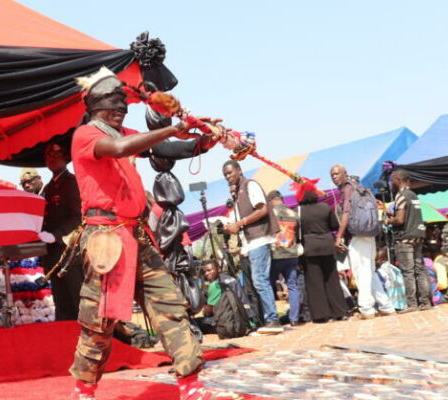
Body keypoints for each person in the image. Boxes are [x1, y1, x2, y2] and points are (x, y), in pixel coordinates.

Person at [67, 68, 233, 400]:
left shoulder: (120, 130)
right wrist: (174, 127)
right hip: (106, 240)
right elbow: (119, 147)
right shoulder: (85, 134)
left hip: (138, 236)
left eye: (122, 107)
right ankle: (84, 389)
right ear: (92, 105)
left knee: (170, 307)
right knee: (100, 323)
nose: (119, 112)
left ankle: (191, 384)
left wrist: (201, 142)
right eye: (111, 107)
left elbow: (163, 149)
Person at [221, 160, 282, 334]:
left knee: (260, 280)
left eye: (230, 172)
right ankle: (266, 320)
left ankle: (273, 320)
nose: (228, 177)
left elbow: (262, 209)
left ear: (239, 170)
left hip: (259, 239)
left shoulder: (250, 185)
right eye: (225, 174)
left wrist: (239, 223)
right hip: (250, 242)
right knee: (256, 282)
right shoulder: (238, 192)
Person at [330, 165, 394, 319]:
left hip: (358, 236)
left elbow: (346, 213)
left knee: (361, 273)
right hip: (369, 234)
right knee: (369, 271)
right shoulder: (359, 188)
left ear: (345, 174)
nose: (334, 177)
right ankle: (386, 306)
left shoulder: (347, 189)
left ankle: (366, 309)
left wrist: (339, 236)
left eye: (337, 174)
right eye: (332, 175)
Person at [41, 141, 84, 321]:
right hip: (53, 254)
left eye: (56, 155)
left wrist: (56, 234)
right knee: (62, 304)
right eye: (49, 156)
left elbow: (77, 216)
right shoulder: (48, 188)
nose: (52, 159)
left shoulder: (72, 183)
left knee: (78, 300)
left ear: (66, 158)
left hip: (69, 253)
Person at [380, 169, 431, 313]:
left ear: (397, 179)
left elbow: (400, 220)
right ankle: (425, 302)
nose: (391, 183)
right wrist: (386, 209)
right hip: (417, 236)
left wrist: (387, 220)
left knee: (408, 272)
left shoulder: (401, 195)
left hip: (405, 239)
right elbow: (406, 215)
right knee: (420, 270)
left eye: (392, 180)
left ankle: (412, 304)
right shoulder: (413, 195)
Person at [298, 189, 350, 322]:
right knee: (332, 279)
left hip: (310, 247)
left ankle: (321, 315)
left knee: (315, 282)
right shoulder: (325, 207)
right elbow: (334, 225)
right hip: (327, 244)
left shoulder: (298, 211)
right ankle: (340, 311)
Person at [267, 190, 302, 325]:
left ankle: (272, 318)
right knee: (292, 286)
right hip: (291, 253)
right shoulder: (293, 214)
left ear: (270, 201)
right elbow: (298, 235)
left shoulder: (269, 214)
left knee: (269, 286)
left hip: (275, 255)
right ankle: (294, 319)